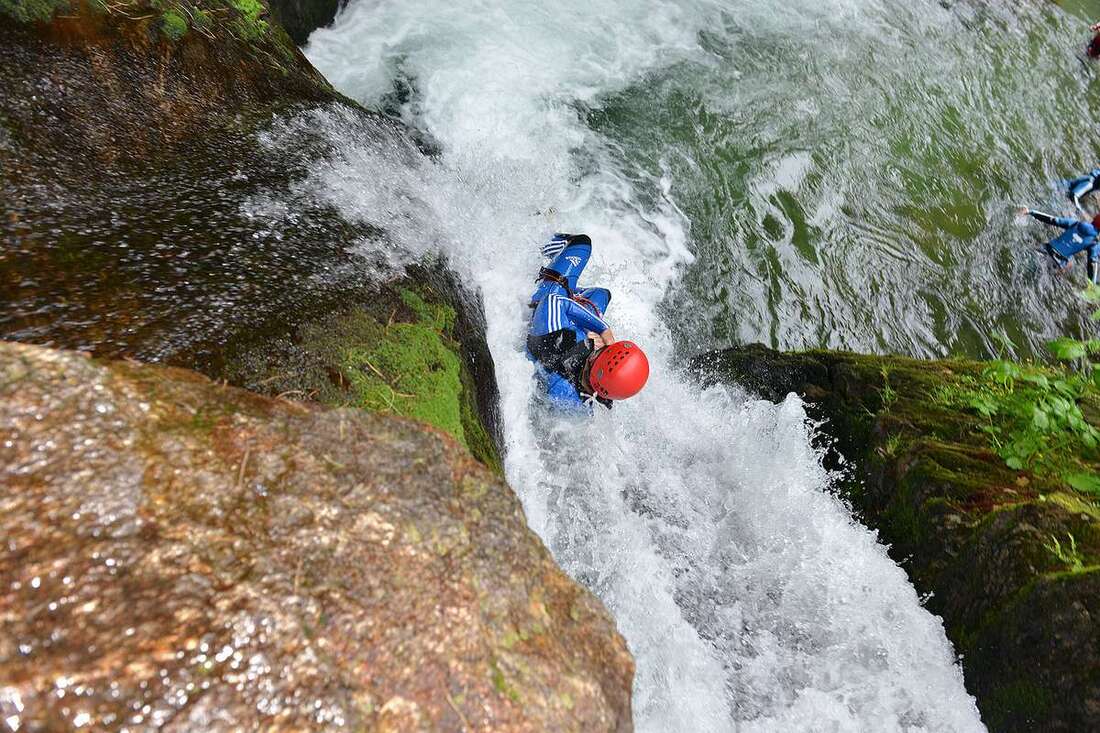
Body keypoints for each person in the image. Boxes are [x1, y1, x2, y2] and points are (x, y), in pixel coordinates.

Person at [526, 233, 649, 410]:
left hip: (544, 315)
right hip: (563, 366)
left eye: (606, 349)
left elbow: (553, 300)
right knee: (602, 295)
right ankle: (575, 295)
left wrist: (602, 328)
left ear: (595, 358)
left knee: (582, 243)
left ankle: (534, 247)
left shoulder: (556, 340)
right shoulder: (584, 404)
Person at [1016, 207, 1100, 283]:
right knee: (1069, 265)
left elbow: (1053, 220)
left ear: (1094, 219)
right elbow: (1092, 262)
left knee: (1031, 247)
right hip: (1056, 262)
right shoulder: (1094, 242)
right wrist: (1092, 281)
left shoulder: (1076, 223)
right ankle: (1054, 280)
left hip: (1045, 249)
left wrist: (1031, 212)